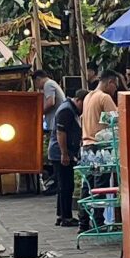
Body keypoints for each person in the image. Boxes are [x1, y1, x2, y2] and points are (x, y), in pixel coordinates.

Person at [48, 82, 83, 227]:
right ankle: (66, 217)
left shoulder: (70, 109)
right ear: (79, 100)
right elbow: (60, 132)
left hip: (62, 151)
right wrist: (64, 153)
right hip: (60, 152)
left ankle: (61, 215)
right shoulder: (67, 110)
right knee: (66, 185)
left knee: (63, 185)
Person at [79, 69, 121, 144]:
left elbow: (102, 119)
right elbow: (115, 121)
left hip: (86, 145)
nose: (116, 89)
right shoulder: (104, 97)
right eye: (116, 86)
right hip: (100, 147)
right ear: (110, 82)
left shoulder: (87, 97)